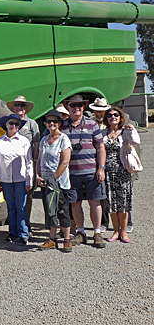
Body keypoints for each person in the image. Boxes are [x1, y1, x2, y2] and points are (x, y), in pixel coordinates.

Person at [61, 95, 107, 248]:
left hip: (91, 171)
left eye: (79, 105)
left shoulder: (92, 124)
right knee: (75, 203)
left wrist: (101, 167)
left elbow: (101, 147)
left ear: (84, 107)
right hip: (71, 173)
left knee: (95, 202)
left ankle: (97, 233)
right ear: (68, 107)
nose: (76, 108)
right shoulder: (62, 126)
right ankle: (80, 232)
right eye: (73, 105)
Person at [36, 109, 73, 253]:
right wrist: (37, 175)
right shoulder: (44, 140)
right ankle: (52, 239)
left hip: (59, 182)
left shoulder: (64, 139)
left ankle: (66, 239)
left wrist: (53, 179)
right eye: (49, 121)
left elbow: (65, 162)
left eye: (55, 121)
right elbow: (39, 159)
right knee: (50, 211)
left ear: (59, 123)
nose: (52, 123)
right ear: (45, 123)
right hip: (46, 181)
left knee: (62, 210)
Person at [0, 113, 33, 245]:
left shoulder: (24, 141)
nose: (14, 126)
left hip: (21, 179)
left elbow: (29, 162)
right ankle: (13, 232)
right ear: (6, 125)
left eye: (17, 124)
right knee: (11, 207)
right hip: (5, 179)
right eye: (11, 123)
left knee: (21, 207)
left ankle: (23, 234)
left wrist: (29, 180)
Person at [102, 107, 139, 243]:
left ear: (120, 117)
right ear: (107, 119)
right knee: (111, 202)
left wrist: (131, 128)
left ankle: (124, 232)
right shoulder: (103, 133)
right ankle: (115, 231)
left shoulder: (125, 132)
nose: (113, 117)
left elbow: (136, 141)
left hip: (122, 171)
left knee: (123, 202)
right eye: (110, 115)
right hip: (108, 173)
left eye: (116, 115)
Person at [6, 96, 39, 235]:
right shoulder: (9, 121)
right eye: (17, 105)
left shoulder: (32, 123)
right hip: (10, 167)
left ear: (26, 108)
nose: (20, 108)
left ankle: (27, 223)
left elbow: (36, 144)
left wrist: (36, 162)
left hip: (27, 165)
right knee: (12, 198)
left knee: (28, 195)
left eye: (22, 105)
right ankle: (15, 226)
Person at [89, 97, 112, 233]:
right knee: (100, 195)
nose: (99, 114)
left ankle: (124, 221)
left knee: (115, 193)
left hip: (112, 162)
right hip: (96, 163)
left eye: (101, 111)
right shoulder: (91, 124)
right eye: (97, 111)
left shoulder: (111, 124)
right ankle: (104, 221)